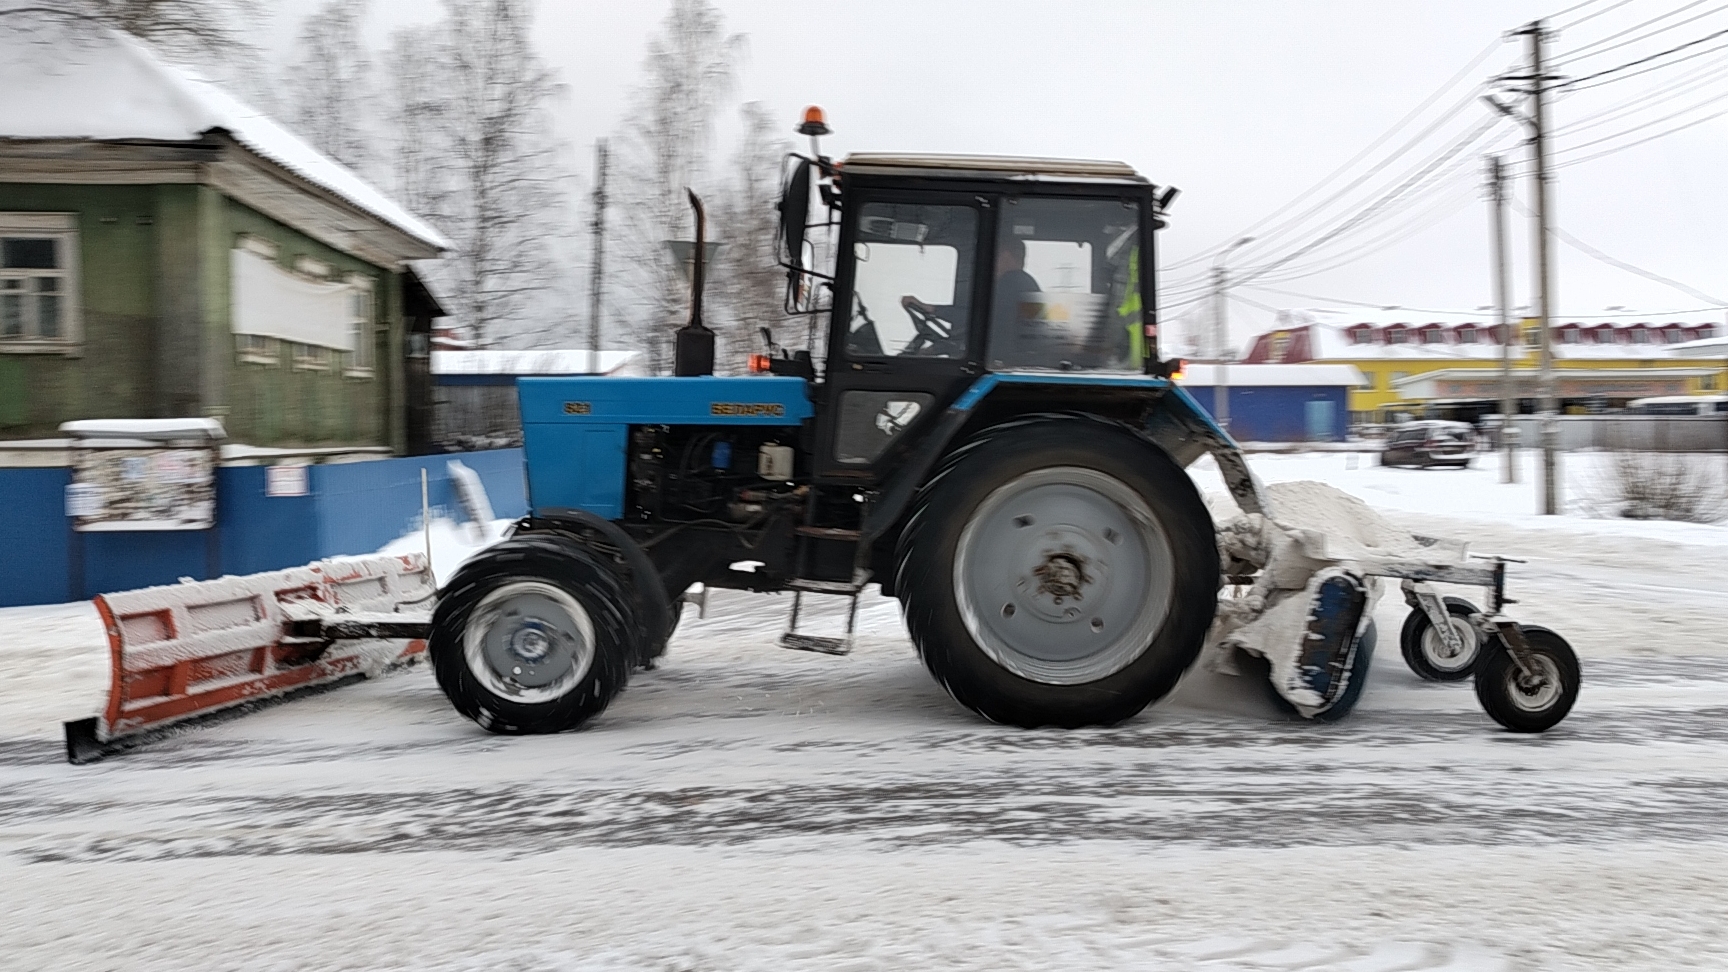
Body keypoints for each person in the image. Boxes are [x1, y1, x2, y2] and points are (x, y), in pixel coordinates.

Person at [900, 237, 1042, 334]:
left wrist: (930, 308)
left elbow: (978, 318)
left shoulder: (1013, 282)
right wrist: (935, 349)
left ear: (1005, 255)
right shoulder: (1022, 283)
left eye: (991, 255)